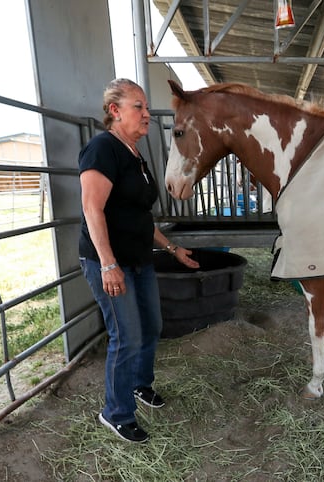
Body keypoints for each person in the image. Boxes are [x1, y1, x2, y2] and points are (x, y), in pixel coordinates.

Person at [78, 78, 199, 443]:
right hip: (111, 262)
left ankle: (139, 385)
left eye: (145, 108)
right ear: (115, 111)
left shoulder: (135, 154)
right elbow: (91, 209)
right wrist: (108, 264)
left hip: (139, 258)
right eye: (139, 107)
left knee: (151, 326)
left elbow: (140, 219)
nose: (147, 114)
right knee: (126, 336)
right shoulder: (102, 149)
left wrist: (172, 248)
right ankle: (115, 413)